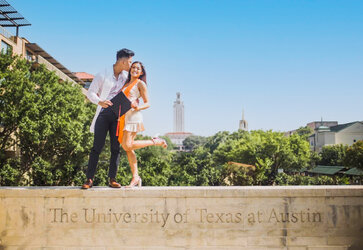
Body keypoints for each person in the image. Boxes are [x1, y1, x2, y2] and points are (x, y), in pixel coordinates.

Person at [82, 48, 135, 189]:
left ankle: (112, 179)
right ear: (123, 61)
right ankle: (89, 179)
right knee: (96, 147)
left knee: (115, 148)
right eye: (129, 62)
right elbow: (90, 93)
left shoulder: (125, 77)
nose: (130, 65)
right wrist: (100, 101)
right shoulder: (103, 74)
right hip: (103, 114)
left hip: (117, 116)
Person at [118, 61, 167, 187]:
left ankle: (155, 141)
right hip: (124, 117)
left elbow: (147, 102)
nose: (134, 69)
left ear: (141, 72)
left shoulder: (140, 83)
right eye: (133, 67)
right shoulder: (126, 83)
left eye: (137, 68)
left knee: (127, 145)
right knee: (128, 148)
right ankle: (135, 177)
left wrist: (137, 107)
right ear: (130, 70)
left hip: (134, 116)